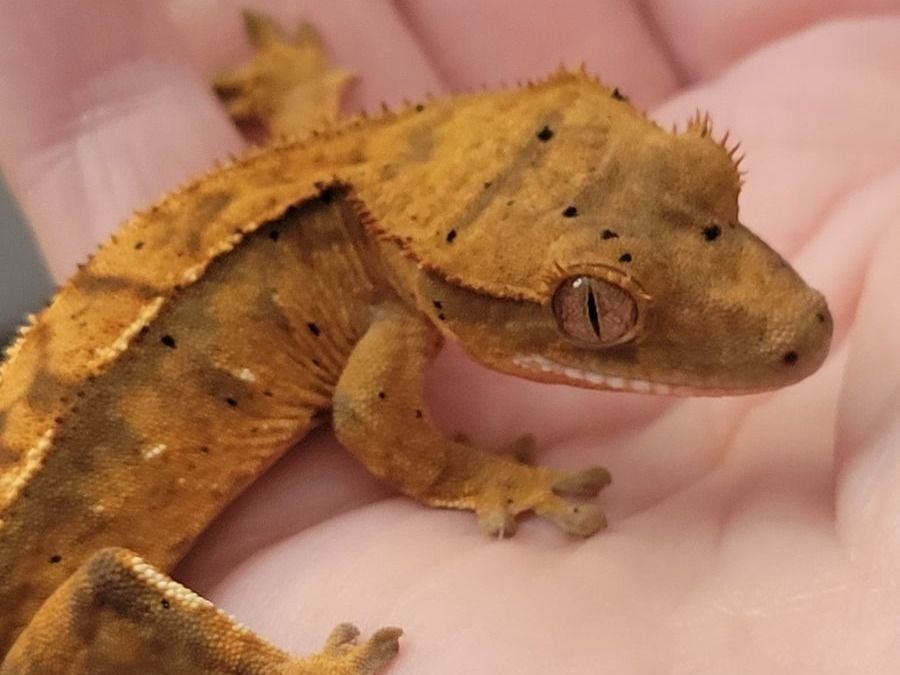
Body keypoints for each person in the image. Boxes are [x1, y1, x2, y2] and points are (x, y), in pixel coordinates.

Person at [1, 2, 898, 672]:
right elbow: (367, 414)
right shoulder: (391, 284)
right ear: (443, 283)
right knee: (104, 596)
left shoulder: (385, 203)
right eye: (596, 312)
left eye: (712, 179)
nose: (788, 321)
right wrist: (477, 477)